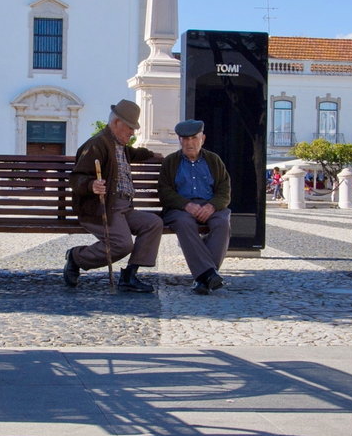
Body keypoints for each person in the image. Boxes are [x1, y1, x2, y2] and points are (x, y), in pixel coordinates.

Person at [63, 99, 163, 293]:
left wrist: (152, 154)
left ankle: (129, 276)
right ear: (117, 123)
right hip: (102, 208)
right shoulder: (97, 144)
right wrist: (91, 185)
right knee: (122, 245)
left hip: (123, 208)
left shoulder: (120, 145)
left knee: (153, 223)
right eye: (130, 127)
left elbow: (134, 154)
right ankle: (76, 257)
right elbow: (75, 178)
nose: (133, 132)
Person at [158, 119, 232, 295]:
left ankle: (203, 278)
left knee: (222, 223)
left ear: (202, 139)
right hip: (180, 209)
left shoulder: (213, 160)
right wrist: (186, 205)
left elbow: (224, 190)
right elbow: (164, 192)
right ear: (179, 140)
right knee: (184, 223)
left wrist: (212, 206)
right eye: (185, 139)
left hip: (210, 206)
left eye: (194, 138)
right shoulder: (171, 161)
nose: (189, 143)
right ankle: (209, 275)